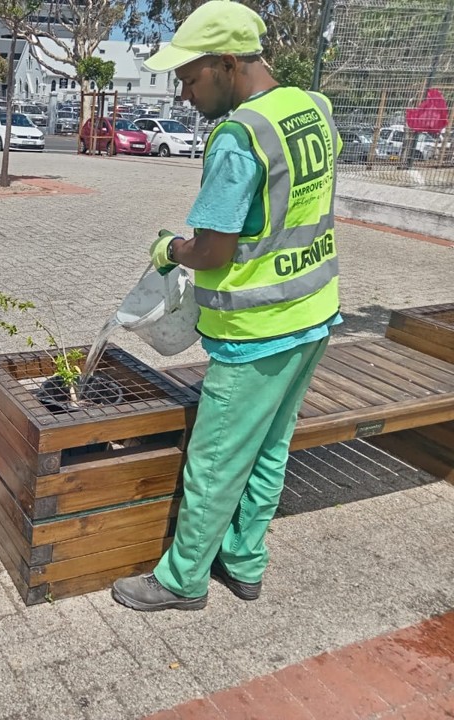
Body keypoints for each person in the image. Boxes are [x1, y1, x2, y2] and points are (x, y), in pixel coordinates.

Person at [112, 0, 343, 612]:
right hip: (314, 311)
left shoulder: (238, 138)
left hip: (257, 328)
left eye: (191, 78)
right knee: (270, 447)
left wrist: (169, 247)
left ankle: (182, 580)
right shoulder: (312, 108)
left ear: (229, 62)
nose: (185, 93)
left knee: (215, 460)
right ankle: (244, 561)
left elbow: (212, 251)